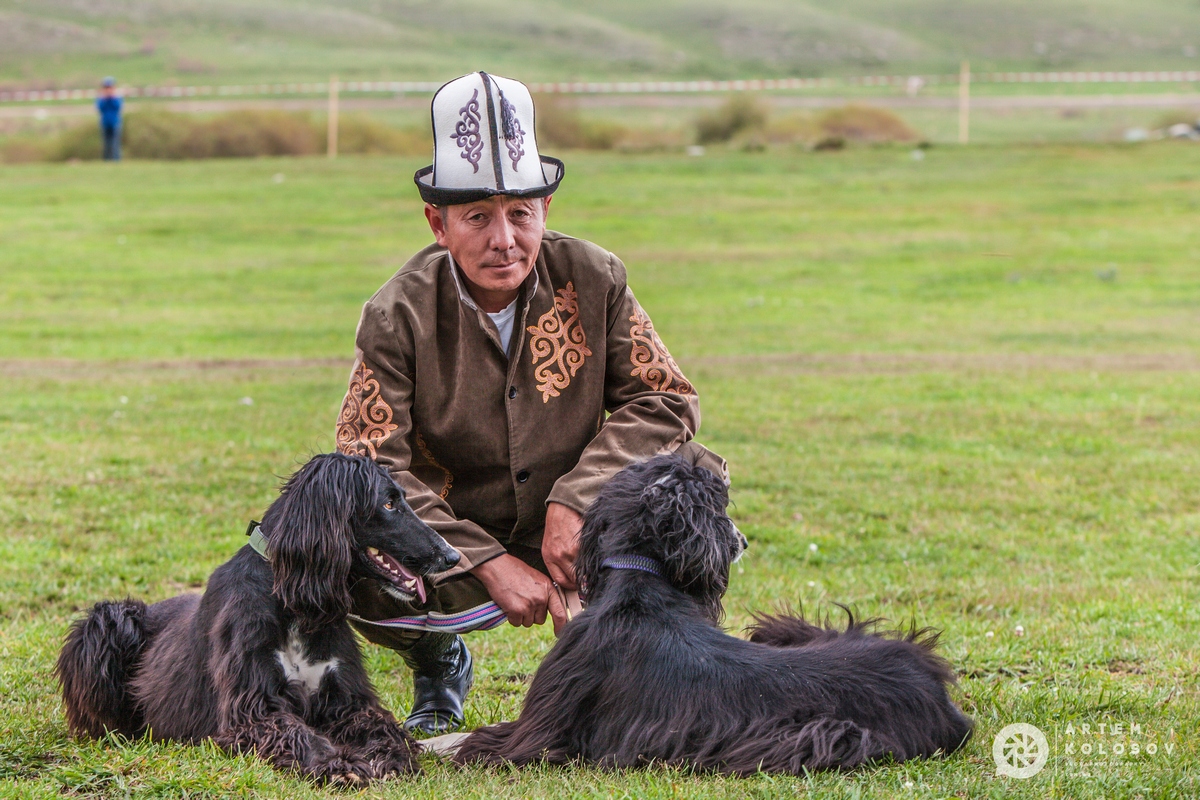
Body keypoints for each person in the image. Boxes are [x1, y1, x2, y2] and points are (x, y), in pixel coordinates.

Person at [335, 72, 727, 735]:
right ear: (438, 223)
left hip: (586, 518)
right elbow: (368, 463)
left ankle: (656, 663)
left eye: (521, 213)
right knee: (346, 540)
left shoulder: (596, 277)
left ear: (546, 208)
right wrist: (484, 560)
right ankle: (437, 660)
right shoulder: (397, 313)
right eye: (477, 217)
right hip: (453, 528)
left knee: (695, 473)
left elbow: (664, 400)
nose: (504, 240)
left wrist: (575, 502)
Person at [95, 77, 122, 161]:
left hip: (115, 123)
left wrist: (112, 98)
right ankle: (106, 160)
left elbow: (117, 107)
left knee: (115, 144)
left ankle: (116, 160)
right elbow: (100, 108)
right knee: (106, 144)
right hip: (105, 123)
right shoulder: (101, 98)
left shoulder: (117, 98)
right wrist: (104, 98)